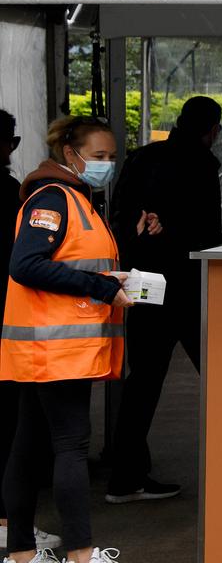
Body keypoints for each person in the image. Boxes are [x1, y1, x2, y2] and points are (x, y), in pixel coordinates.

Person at [0, 116, 158, 563]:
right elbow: (26, 264)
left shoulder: (80, 200)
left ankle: (22, 555)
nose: (107, 165)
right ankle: (81, 554)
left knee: (29, 444)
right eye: (99, 157)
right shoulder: (51, 198)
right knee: (70, 446)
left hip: (52, 348)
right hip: (56, 349)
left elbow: (80, 264)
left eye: (111, 157)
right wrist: (106, 288)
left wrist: (129, 246)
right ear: (71, 154)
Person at [106, 96, 222, 503]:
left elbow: (119, 220)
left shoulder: (140, 159)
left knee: (142, 382)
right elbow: (208, 233)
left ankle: (124, 476)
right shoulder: (204, 164)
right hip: (188, 287)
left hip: (143, 283)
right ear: (212, 130)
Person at [0, 111, 62, 552]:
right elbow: (30, 265)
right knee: (13, 429)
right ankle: (8, 523)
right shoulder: (14, 197)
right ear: (9, 145)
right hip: (10, 327)